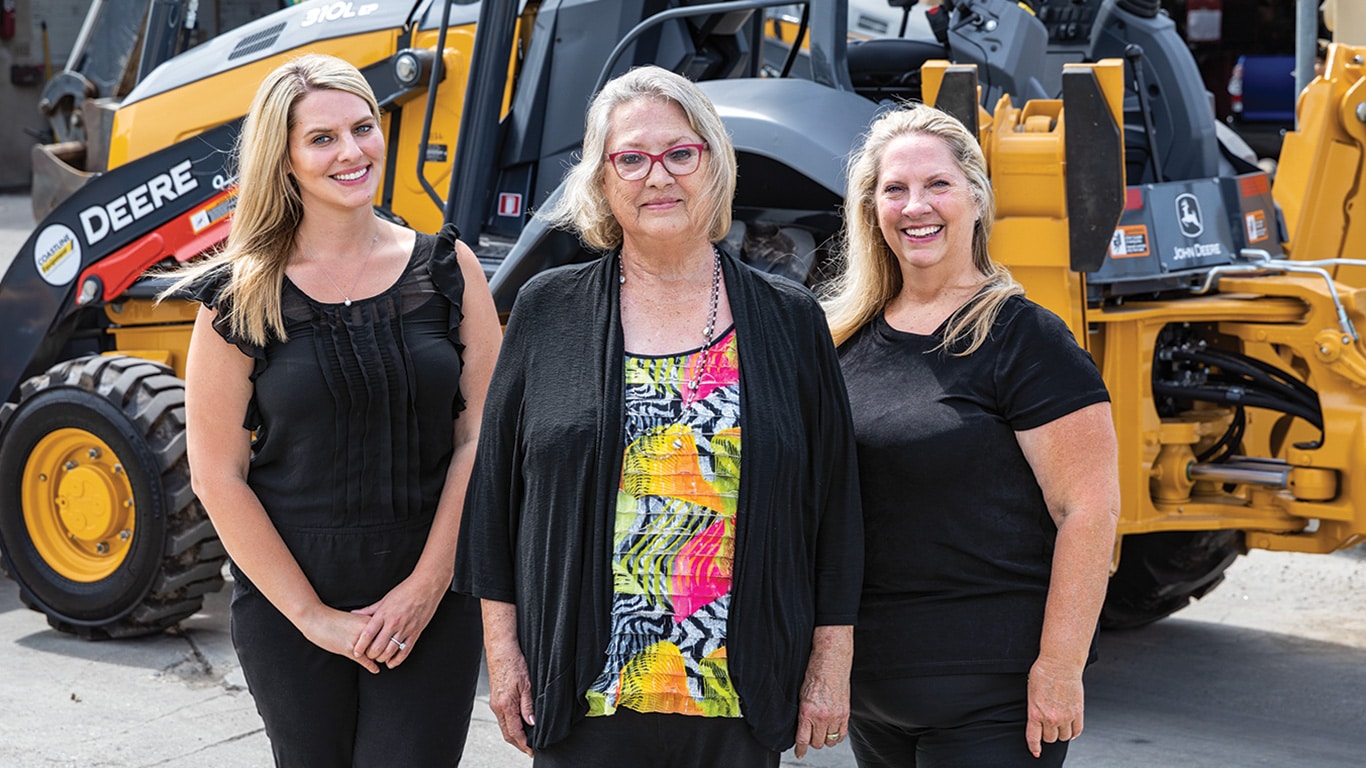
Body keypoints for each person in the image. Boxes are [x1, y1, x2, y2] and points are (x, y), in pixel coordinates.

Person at [453, 65, 864, 766]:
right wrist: (506, 657)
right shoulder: (547, 309)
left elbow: (837, 508)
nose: (658, 176)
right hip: (583, 692)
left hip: (738, 698)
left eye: (680, 153)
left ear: (714, 163)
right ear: (603, 180)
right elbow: (494, 500)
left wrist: (829, 664)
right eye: (631, 158)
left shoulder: (790, 320)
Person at [172, 53, 500, 766]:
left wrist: (427, 585)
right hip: (291, 598)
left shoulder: (449, 269)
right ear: (284, 159)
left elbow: (483, 433)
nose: (352, 152)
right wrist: (313, 618)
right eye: (322, 138)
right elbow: (217, 475)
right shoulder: (241, 295)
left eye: (363, 127)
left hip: (431, 594)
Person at [823, 104, 1120, 767]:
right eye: (893, 189)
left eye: (937, 185)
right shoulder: (841, 340)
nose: (914, 205)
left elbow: (1089, 511)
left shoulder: (1024, 339)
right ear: (871, 209)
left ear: (977, 200)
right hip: (872, 696)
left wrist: (1060, 668)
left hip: (994, 699)